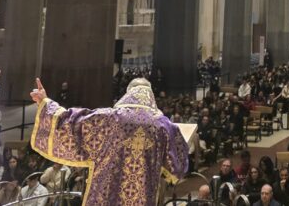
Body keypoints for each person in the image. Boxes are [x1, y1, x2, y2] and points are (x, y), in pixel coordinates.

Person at [29, 76, 188, 206]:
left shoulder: (109, 119)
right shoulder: (164, 126)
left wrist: (46, 103)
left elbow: (73, 122)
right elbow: (177, 166)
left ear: (128, 92)